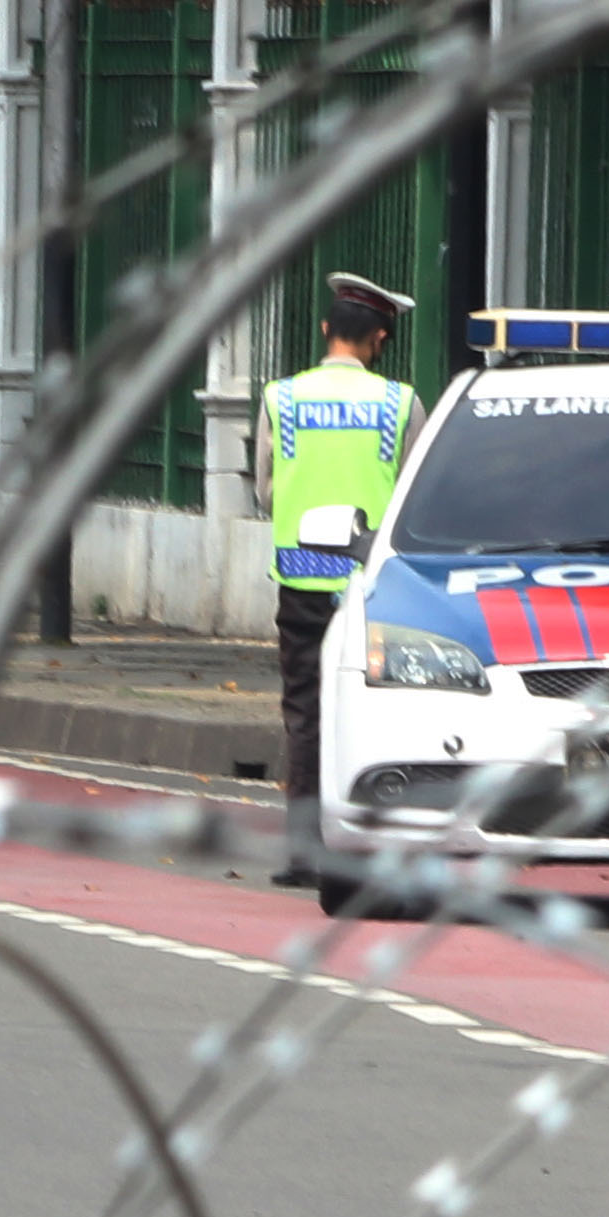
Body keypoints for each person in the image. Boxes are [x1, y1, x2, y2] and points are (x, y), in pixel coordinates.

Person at [251, 273, 426, 889]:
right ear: (380, 338)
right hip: (376, 587)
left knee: (306, 710)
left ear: (326, 330)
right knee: (383, 709)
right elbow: (413, 495)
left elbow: (265, 489)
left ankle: (305, 853)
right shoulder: (401, 404)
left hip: (300, 580)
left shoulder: (281, 397)